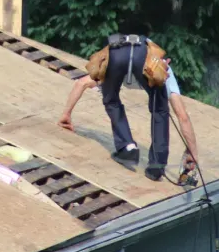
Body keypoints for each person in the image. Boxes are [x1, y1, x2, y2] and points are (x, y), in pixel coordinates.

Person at [57, 34, 200, 182]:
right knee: (160, 111)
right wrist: (193, 153)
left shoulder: (109, 62)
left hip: (116, 53)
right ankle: (156, 167)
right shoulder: (164, 70)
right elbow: (183, 117)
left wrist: (66, 115)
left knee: (111, 100)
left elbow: (81, 83)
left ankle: (127, 147)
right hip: (144, 58)